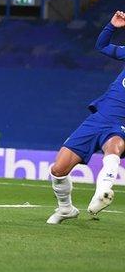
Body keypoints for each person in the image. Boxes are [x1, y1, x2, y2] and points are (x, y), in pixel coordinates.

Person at [47, 11, 125, 224]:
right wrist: (111, 26)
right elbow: (102, 46)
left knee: (114, 146)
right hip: (98, 119)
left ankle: (103, 192)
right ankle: (66, 209)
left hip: (120, 124)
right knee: (58, 169)